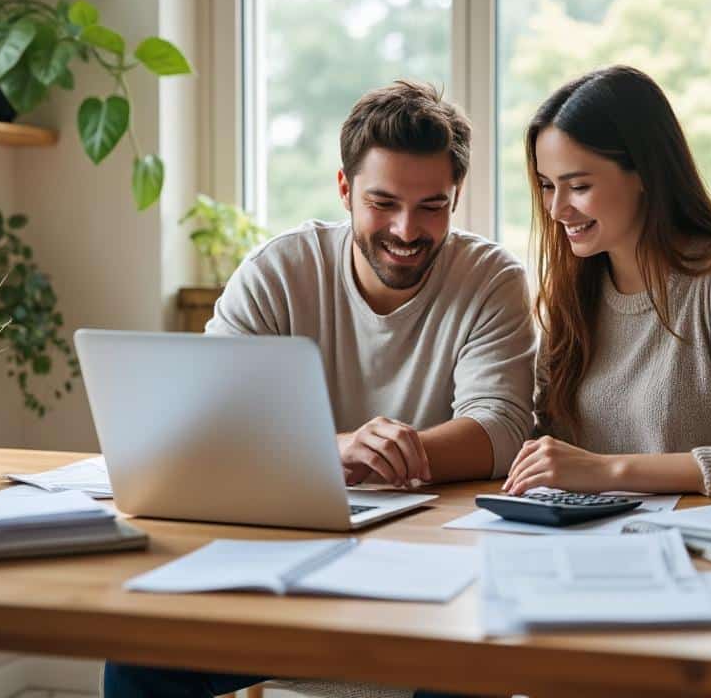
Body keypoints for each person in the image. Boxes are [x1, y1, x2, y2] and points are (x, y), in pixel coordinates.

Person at [103, 80, 534, 698]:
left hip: (435, 570)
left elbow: (502, 428)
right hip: (284, 568)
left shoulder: (491, 279)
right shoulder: (279, 271)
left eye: (431, 206)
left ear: (456, 197)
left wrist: (391, 453)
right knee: (137, 655)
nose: (406, 229)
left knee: (477, 663)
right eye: (383, 202)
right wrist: (334, 449)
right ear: (344, 189)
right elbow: (207, 423)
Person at [502, 65, 711, 498]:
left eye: (577, 186)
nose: (557, 209)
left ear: (643, 173)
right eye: (546, 186)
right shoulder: (573, 293)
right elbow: (548, 448)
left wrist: (608, 471)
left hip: (699, 535)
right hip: (585, 534)